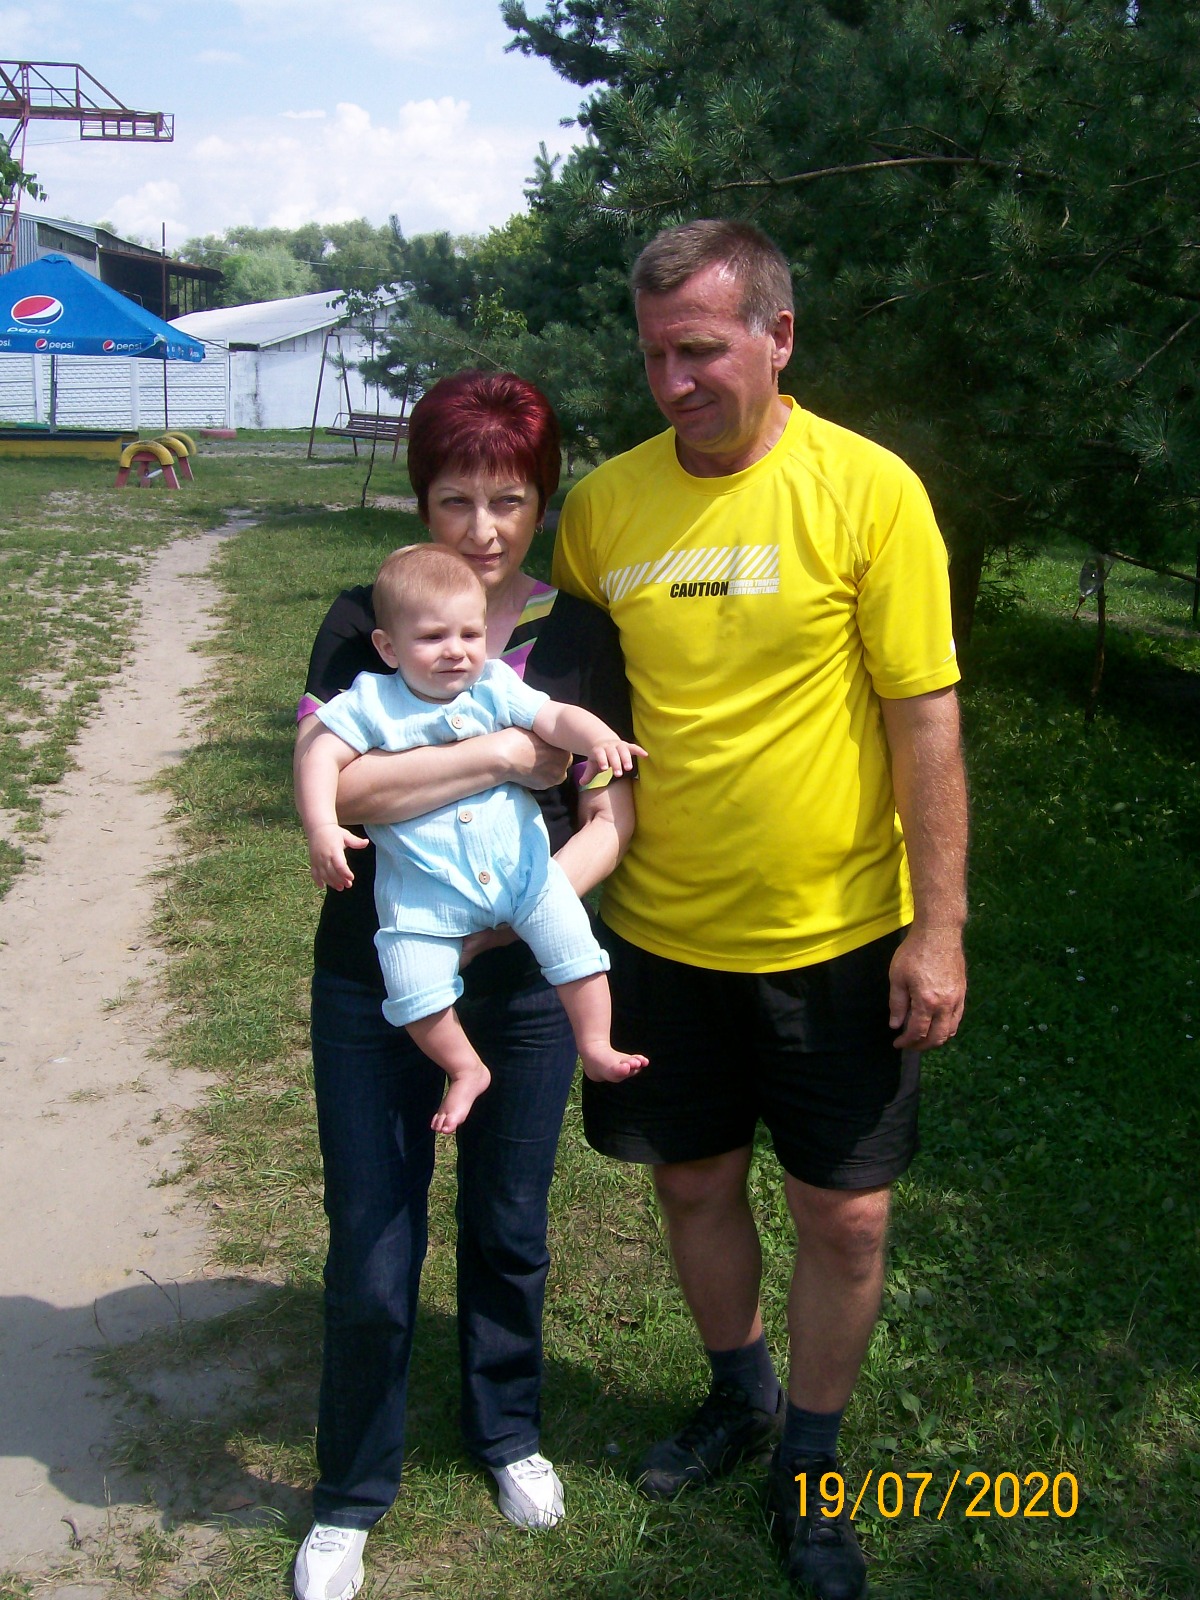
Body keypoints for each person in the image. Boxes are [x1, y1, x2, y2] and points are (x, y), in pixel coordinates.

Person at [549, 220, 968, 1600]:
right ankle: (740, 1391)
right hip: (661, 933)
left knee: (848, 1218)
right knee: (690, 1179)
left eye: (701, 350)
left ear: (778, 337)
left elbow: (924, 718)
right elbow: (575, 709)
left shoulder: (870, 492)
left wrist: (940, 927)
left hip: (838, 937)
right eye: (654, 355)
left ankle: (815, 1457)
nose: (674, 382)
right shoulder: (604, 510)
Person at [292, 371, 636, 1600]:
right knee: (373, 1240)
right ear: (420, 500)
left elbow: (609, 817)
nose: (483, 530)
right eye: (455, 499)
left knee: (509, 1223)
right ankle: (350, 1493)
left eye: (510, 500)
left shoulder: (578, 635)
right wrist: (498, 751)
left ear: (543, 501)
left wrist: (514, 921)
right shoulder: (369, 617)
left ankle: (507, 1429)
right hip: (377, 977)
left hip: (526, 980)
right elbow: (344, 786)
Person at [296, 543, 647, 1133]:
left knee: (576, 951)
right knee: (410, 984)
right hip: (423, 901)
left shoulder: (495, 685)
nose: (456, 650)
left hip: (524, 878)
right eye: (433, 637)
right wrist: (322, 827)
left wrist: (598, 738)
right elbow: (319, 757)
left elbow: (556, 717)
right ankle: (465, 1068)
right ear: (388, 647)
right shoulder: (371, 701)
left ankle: (595, 1045)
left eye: (470, 634)